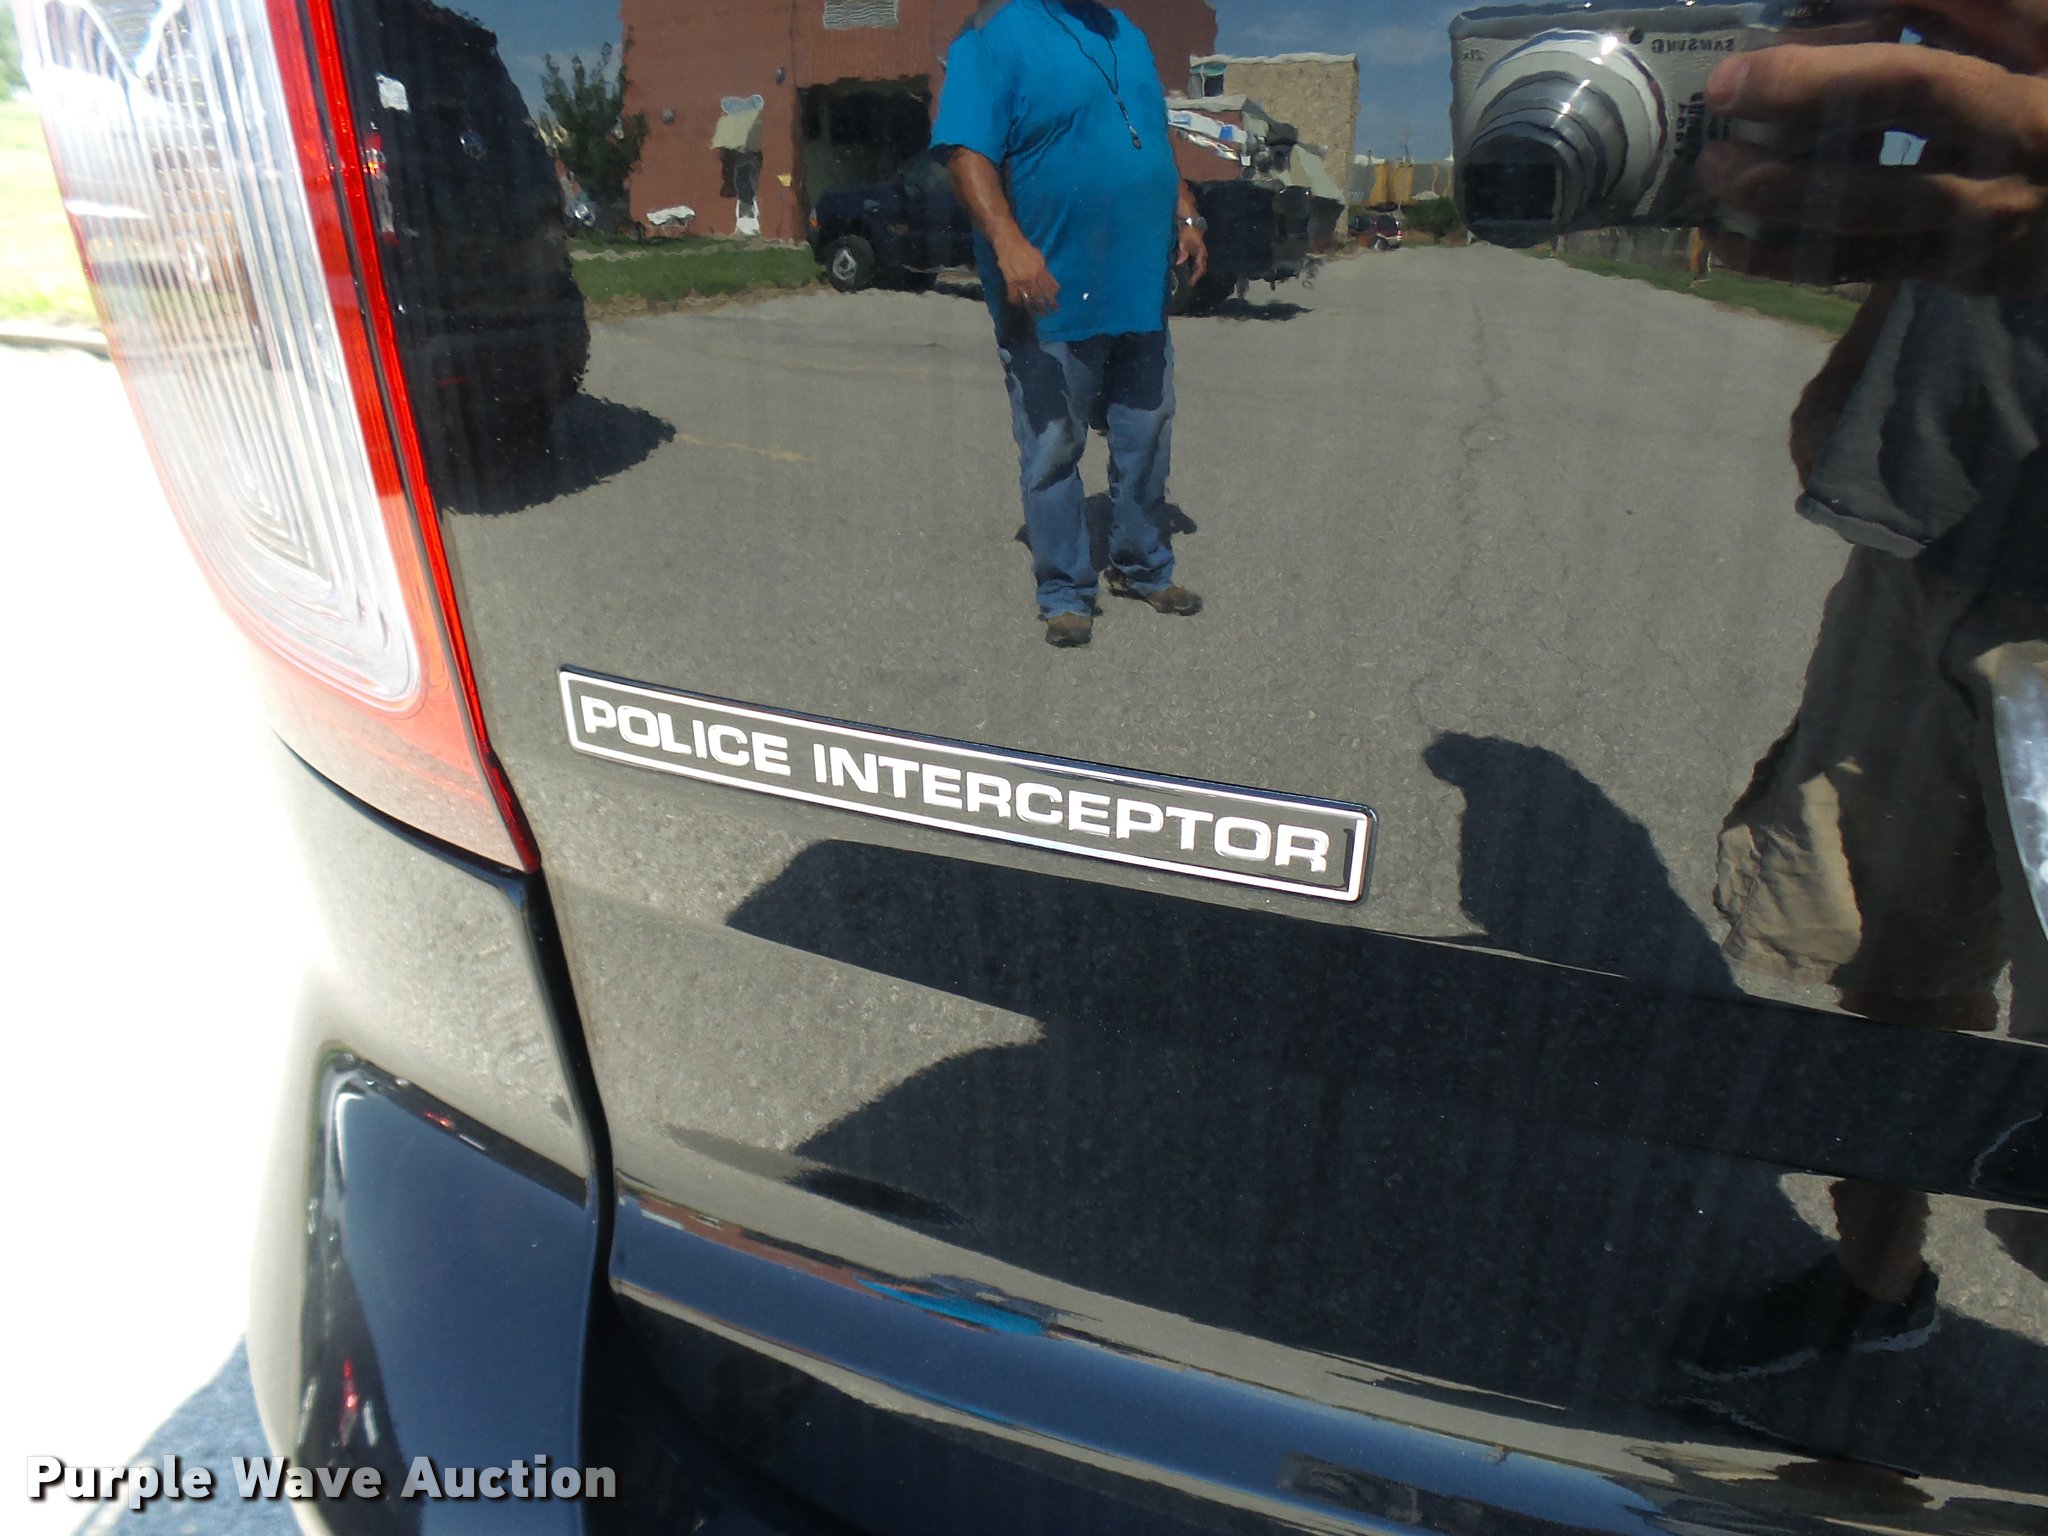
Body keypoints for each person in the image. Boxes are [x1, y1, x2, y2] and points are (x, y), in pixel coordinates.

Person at [1678, 6, 2048, 1379]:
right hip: (1919, 539)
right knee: (1892, 967)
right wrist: (1849, 377)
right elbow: (1955, 212)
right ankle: (1872, 1287)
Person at [930, 0, 1209, 648]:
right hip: (1048, 292)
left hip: (1136, 284)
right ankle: (1065, 590)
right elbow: (965, 152)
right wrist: (1008, 242)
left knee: (1146, 433)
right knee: (1054, 445)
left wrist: (1186, 212)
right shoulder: (994, 33)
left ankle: (1143, 566)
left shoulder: (1126, 34)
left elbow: (1151, 135)